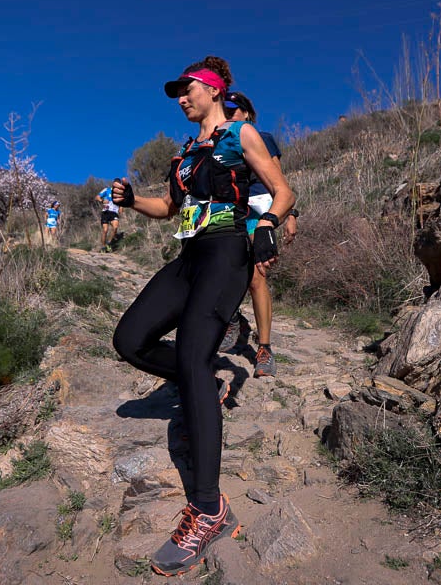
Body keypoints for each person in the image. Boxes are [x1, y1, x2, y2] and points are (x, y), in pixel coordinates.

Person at [110, 56, 294, 576]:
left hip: (228, 253)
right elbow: (169, 209)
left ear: (214, 90)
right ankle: (205, 385)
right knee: (130, 340)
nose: (181, 99)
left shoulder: (241, 134)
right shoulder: (185, 156)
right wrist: (133, 202)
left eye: (187, 89)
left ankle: (210, 509)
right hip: (189, 256)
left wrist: (268, 225)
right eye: (178, 93)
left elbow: (284, 191)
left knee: (193, 357)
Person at [218, 92, 298, 378]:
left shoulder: (261, 137)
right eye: (224, 110)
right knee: (223, 271)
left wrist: (289, 215)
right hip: (229, 212)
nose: (228, 115)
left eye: (232, 110)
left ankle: (264, 348)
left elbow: (279, 181)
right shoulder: (219, 142)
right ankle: (234, 319)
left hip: (259, 211)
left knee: (256, 278)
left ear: (247, 113)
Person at [96, 182, 120, 252]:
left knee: (115, 227)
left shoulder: (120, 194)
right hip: (106, 212)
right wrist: (102, 200)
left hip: (114, 213)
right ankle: (103, 246)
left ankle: (109, 243)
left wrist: (121, 208)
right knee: (105, 230)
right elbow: (97, 197)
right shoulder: (107, 190)